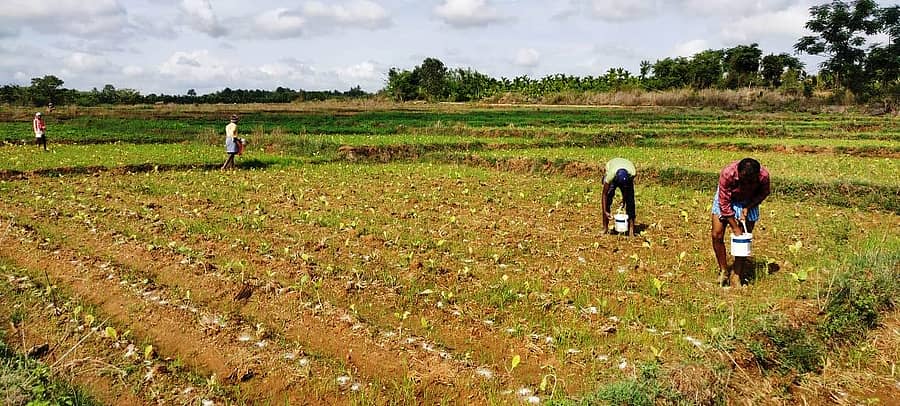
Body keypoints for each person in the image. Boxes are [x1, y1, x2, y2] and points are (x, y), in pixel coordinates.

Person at [711, 158, 770, 287]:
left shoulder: (764, 176)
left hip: (749, 200)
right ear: (738, 172)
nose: (746, 183)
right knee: (717, 234)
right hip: (728, 198)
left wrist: (748, 206)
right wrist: (734, 227)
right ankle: (723, 270)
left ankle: (737, 274)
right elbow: (724, 203)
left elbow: (764, 192)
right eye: (743, 179)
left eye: (751, 181)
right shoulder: (728, 173)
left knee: (743, 239)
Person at [601, 157, 637, 236]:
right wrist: (605, 211)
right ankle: (605, 228)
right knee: (608, 197)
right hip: (612, 166)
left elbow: (627, 190)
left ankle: (631, 230)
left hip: (626, 169)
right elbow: (604, 194)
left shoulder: (632, 173)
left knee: (630, 201)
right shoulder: (611, 175)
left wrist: (624, 199)